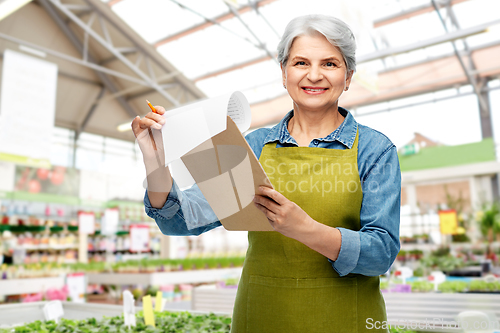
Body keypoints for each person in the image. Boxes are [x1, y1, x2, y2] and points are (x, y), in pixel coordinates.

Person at [132, 14, 401, 333]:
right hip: (261, 317)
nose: (314, 75)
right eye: (301, 63)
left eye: (330, 64)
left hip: (345, 321)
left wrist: (304, 228)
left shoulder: (375, 150)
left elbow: (381, 253)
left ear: (348, 76)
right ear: (284, 72)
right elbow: (182, 221)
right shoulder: (254, 145)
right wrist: (155, 161)